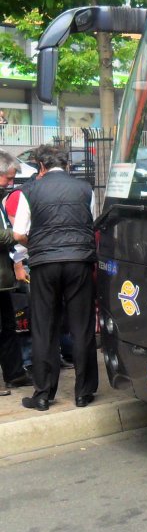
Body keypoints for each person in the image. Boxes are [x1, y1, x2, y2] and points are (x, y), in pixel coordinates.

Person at [13, 144, 98, 411]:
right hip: (79, 262)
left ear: (41, 166)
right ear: (67, 164)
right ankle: (83, 393)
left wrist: (38, 243)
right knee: (82, 326)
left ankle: (43, 395)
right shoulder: (86, 189)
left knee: (44, 327)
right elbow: (90, 223)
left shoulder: (29, 190)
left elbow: (18, 234)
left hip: (44, 264)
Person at [0, 153, 29, 395]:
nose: (11, 183)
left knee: (8, 327)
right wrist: (15, 236)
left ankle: (14, 374)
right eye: (8, 178)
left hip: (3, 278)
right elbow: (7, 234)